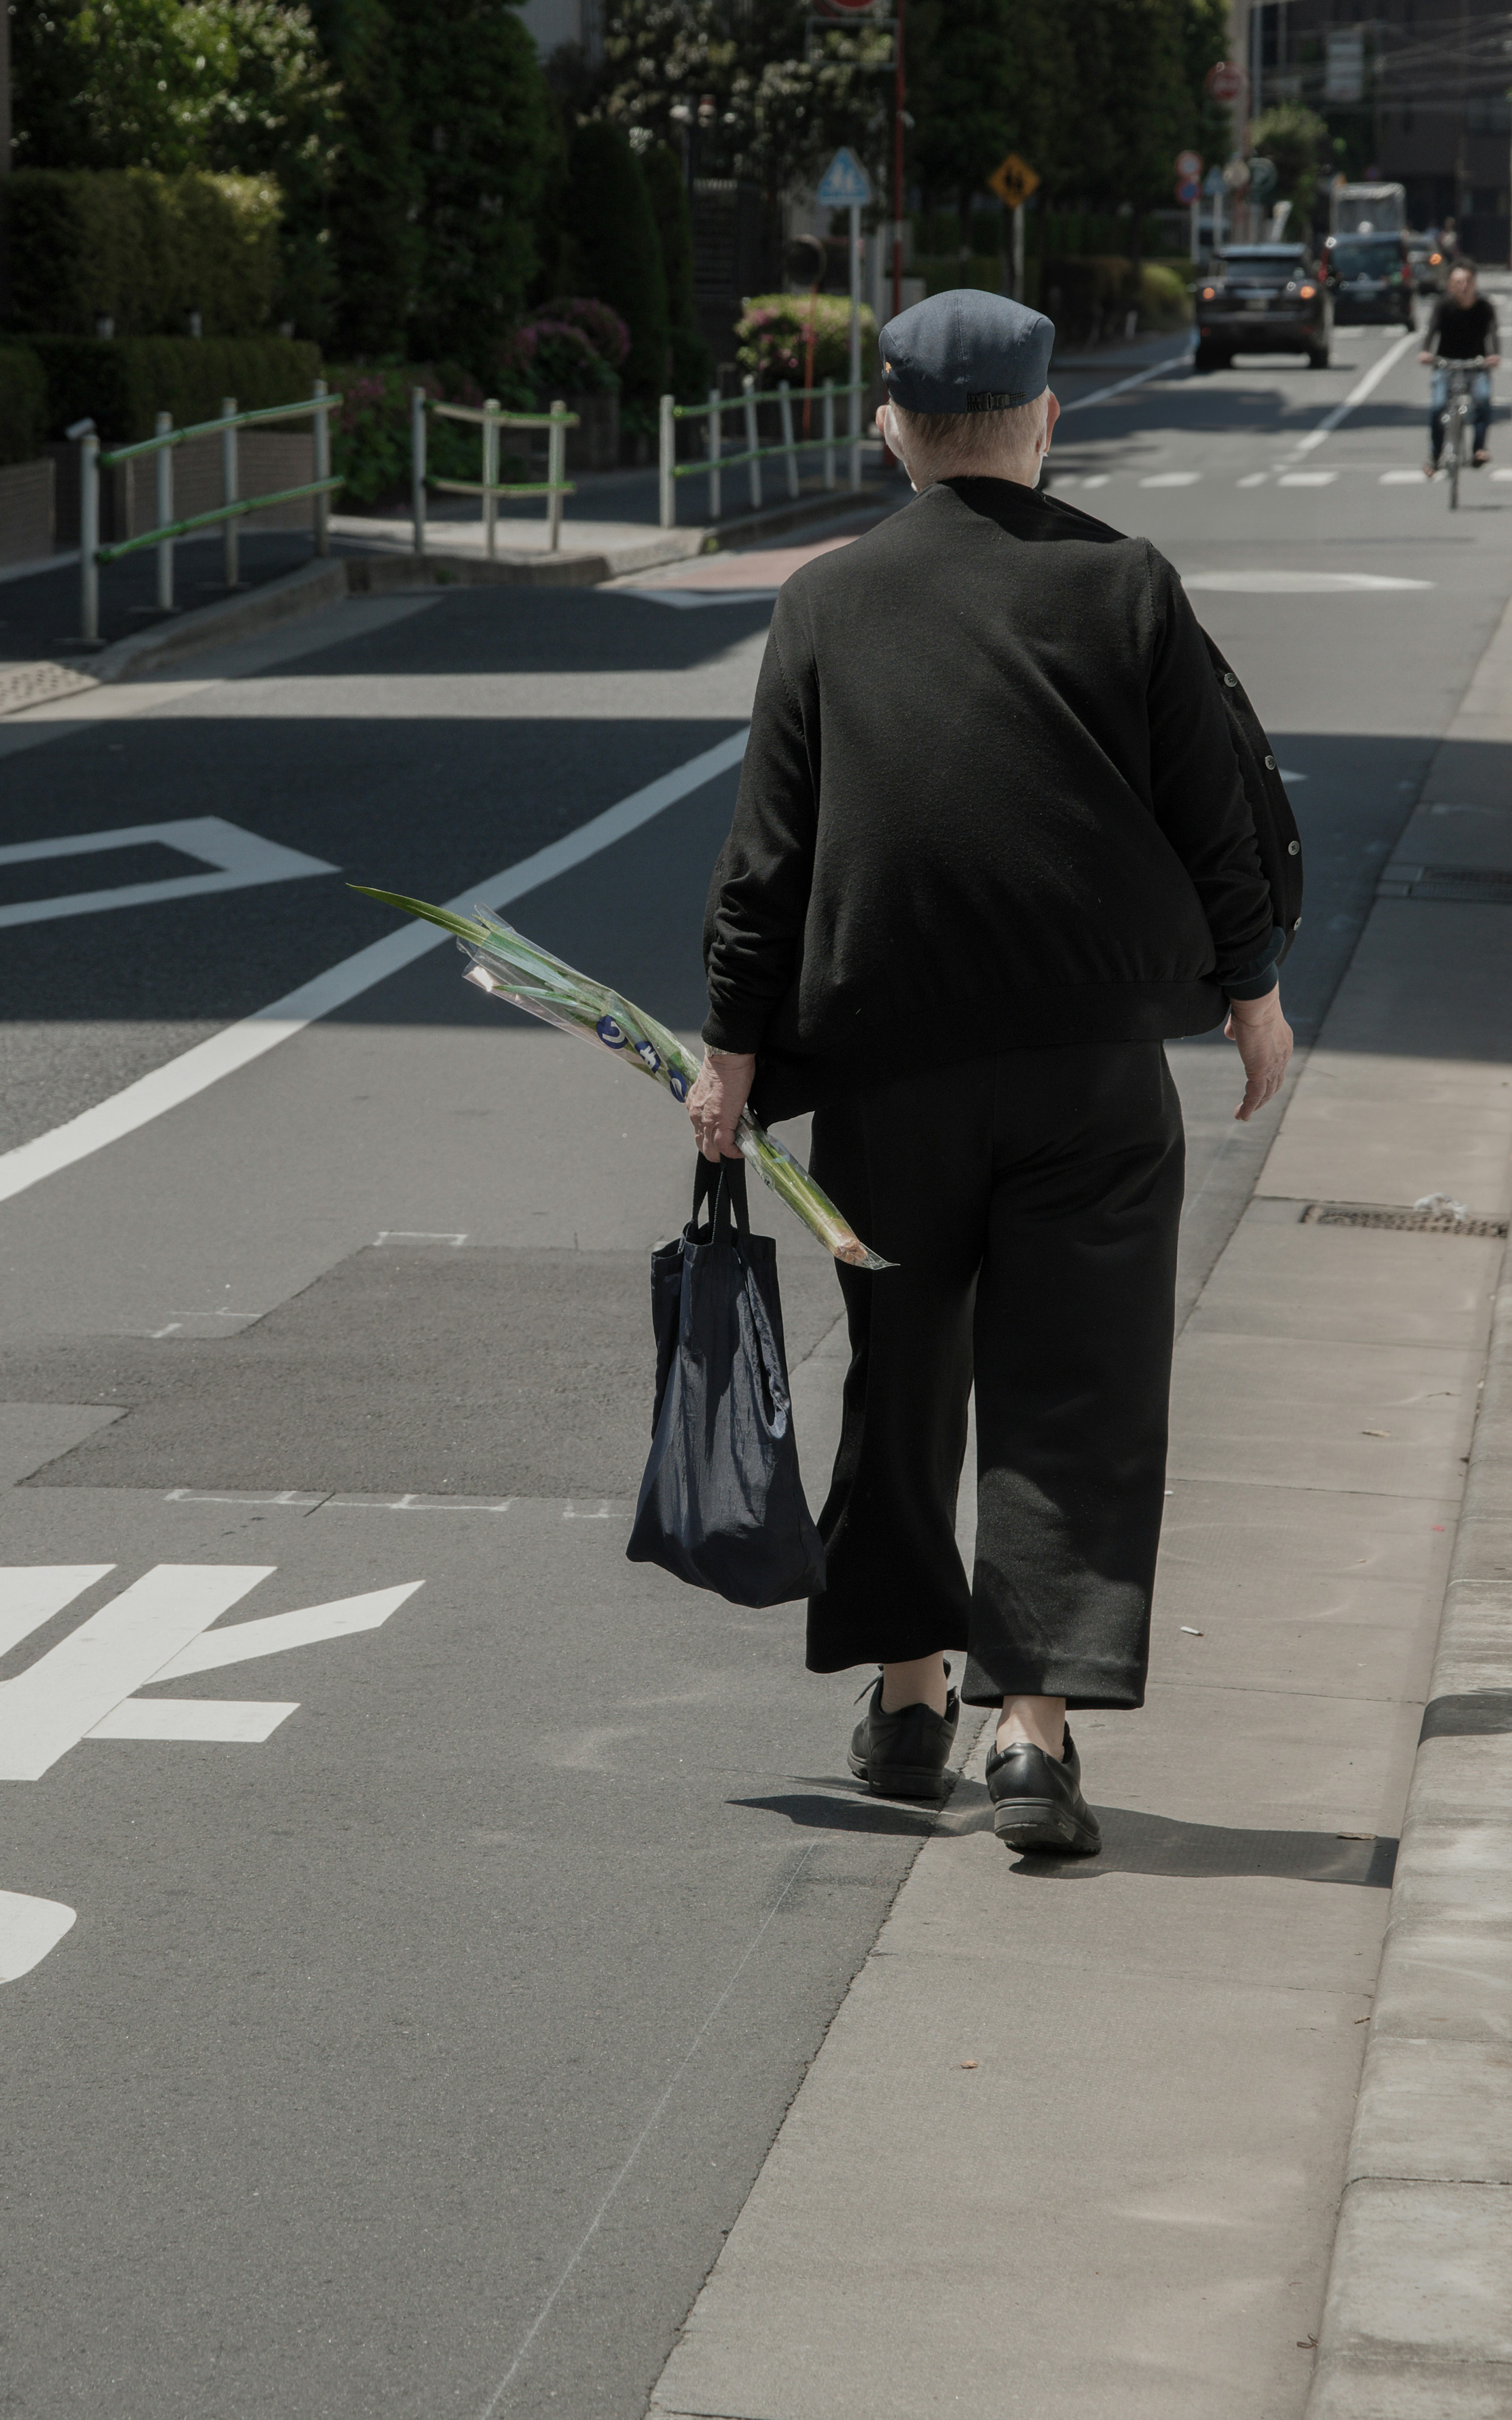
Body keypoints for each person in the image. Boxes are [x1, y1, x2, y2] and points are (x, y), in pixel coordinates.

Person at [686, 291, 1297, 1858]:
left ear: (887, 424)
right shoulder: (1127, 584)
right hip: (1093, 1068)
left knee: (906, 1378)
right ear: (1045, 423)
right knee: (1077, 1386)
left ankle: (906, 1702)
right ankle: (1033, 1733)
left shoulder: (828, 601)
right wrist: (1252, 1000)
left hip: (892, 1079)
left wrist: (732, 1053)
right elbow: (1217, 816)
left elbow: (768, 864)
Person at [1421, 259, 1500, 472]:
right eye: (1457, 282)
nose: (1462, 287)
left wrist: (1494, 356)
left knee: (1483, 399)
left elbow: (1493, 334)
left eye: (1467, 282)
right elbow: (1432, 331)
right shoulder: (1443, 306)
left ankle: (1479, 449)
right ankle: (1436, 456)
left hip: (1476, 365)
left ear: (1474, 284)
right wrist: (1427, 352)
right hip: (1446, 365)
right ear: (1450, 285)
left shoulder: (1485, 307)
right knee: (1438, 407)